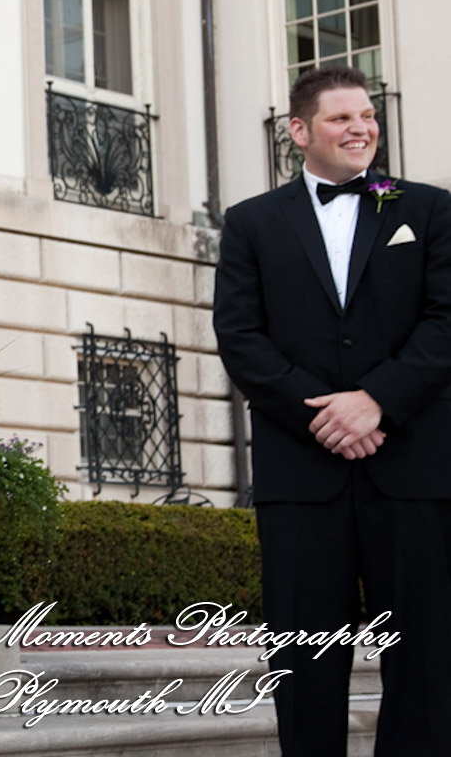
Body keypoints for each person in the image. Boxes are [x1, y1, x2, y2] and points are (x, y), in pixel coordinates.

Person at [213, 64, 451, 755]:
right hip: (300, 471)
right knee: (304, 661)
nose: (361, 128)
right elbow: (240, 336)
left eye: (367, 116)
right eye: (342, 118)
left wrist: (377, 401)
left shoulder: (430, 211)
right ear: (299, 131)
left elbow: (445, 322)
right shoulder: (251, 223)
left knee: (427, 661)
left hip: (412, 466)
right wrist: (325, 416)